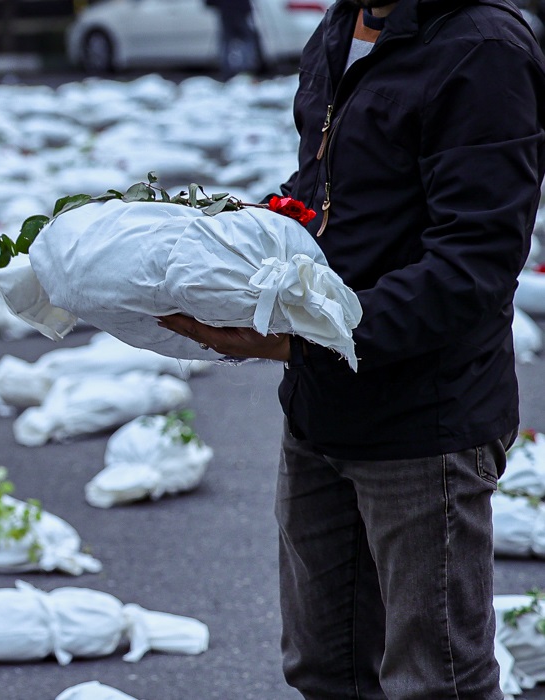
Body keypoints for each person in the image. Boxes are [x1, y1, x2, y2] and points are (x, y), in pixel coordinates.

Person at [157, 0, 545, 697]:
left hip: (423, 424)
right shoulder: (341, 27)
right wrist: (232, 246)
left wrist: (304, 336)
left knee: (438, 680)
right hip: (319, 412)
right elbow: (319, 196)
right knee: (326, 666)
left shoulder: (481, 48)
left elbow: (472, 266)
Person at [204, 0, 258, 80]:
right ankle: (246, 67)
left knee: (226, 42)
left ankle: (228, 71)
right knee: (246, 39)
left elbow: (209, 2)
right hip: (239, 9)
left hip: (226, 11)